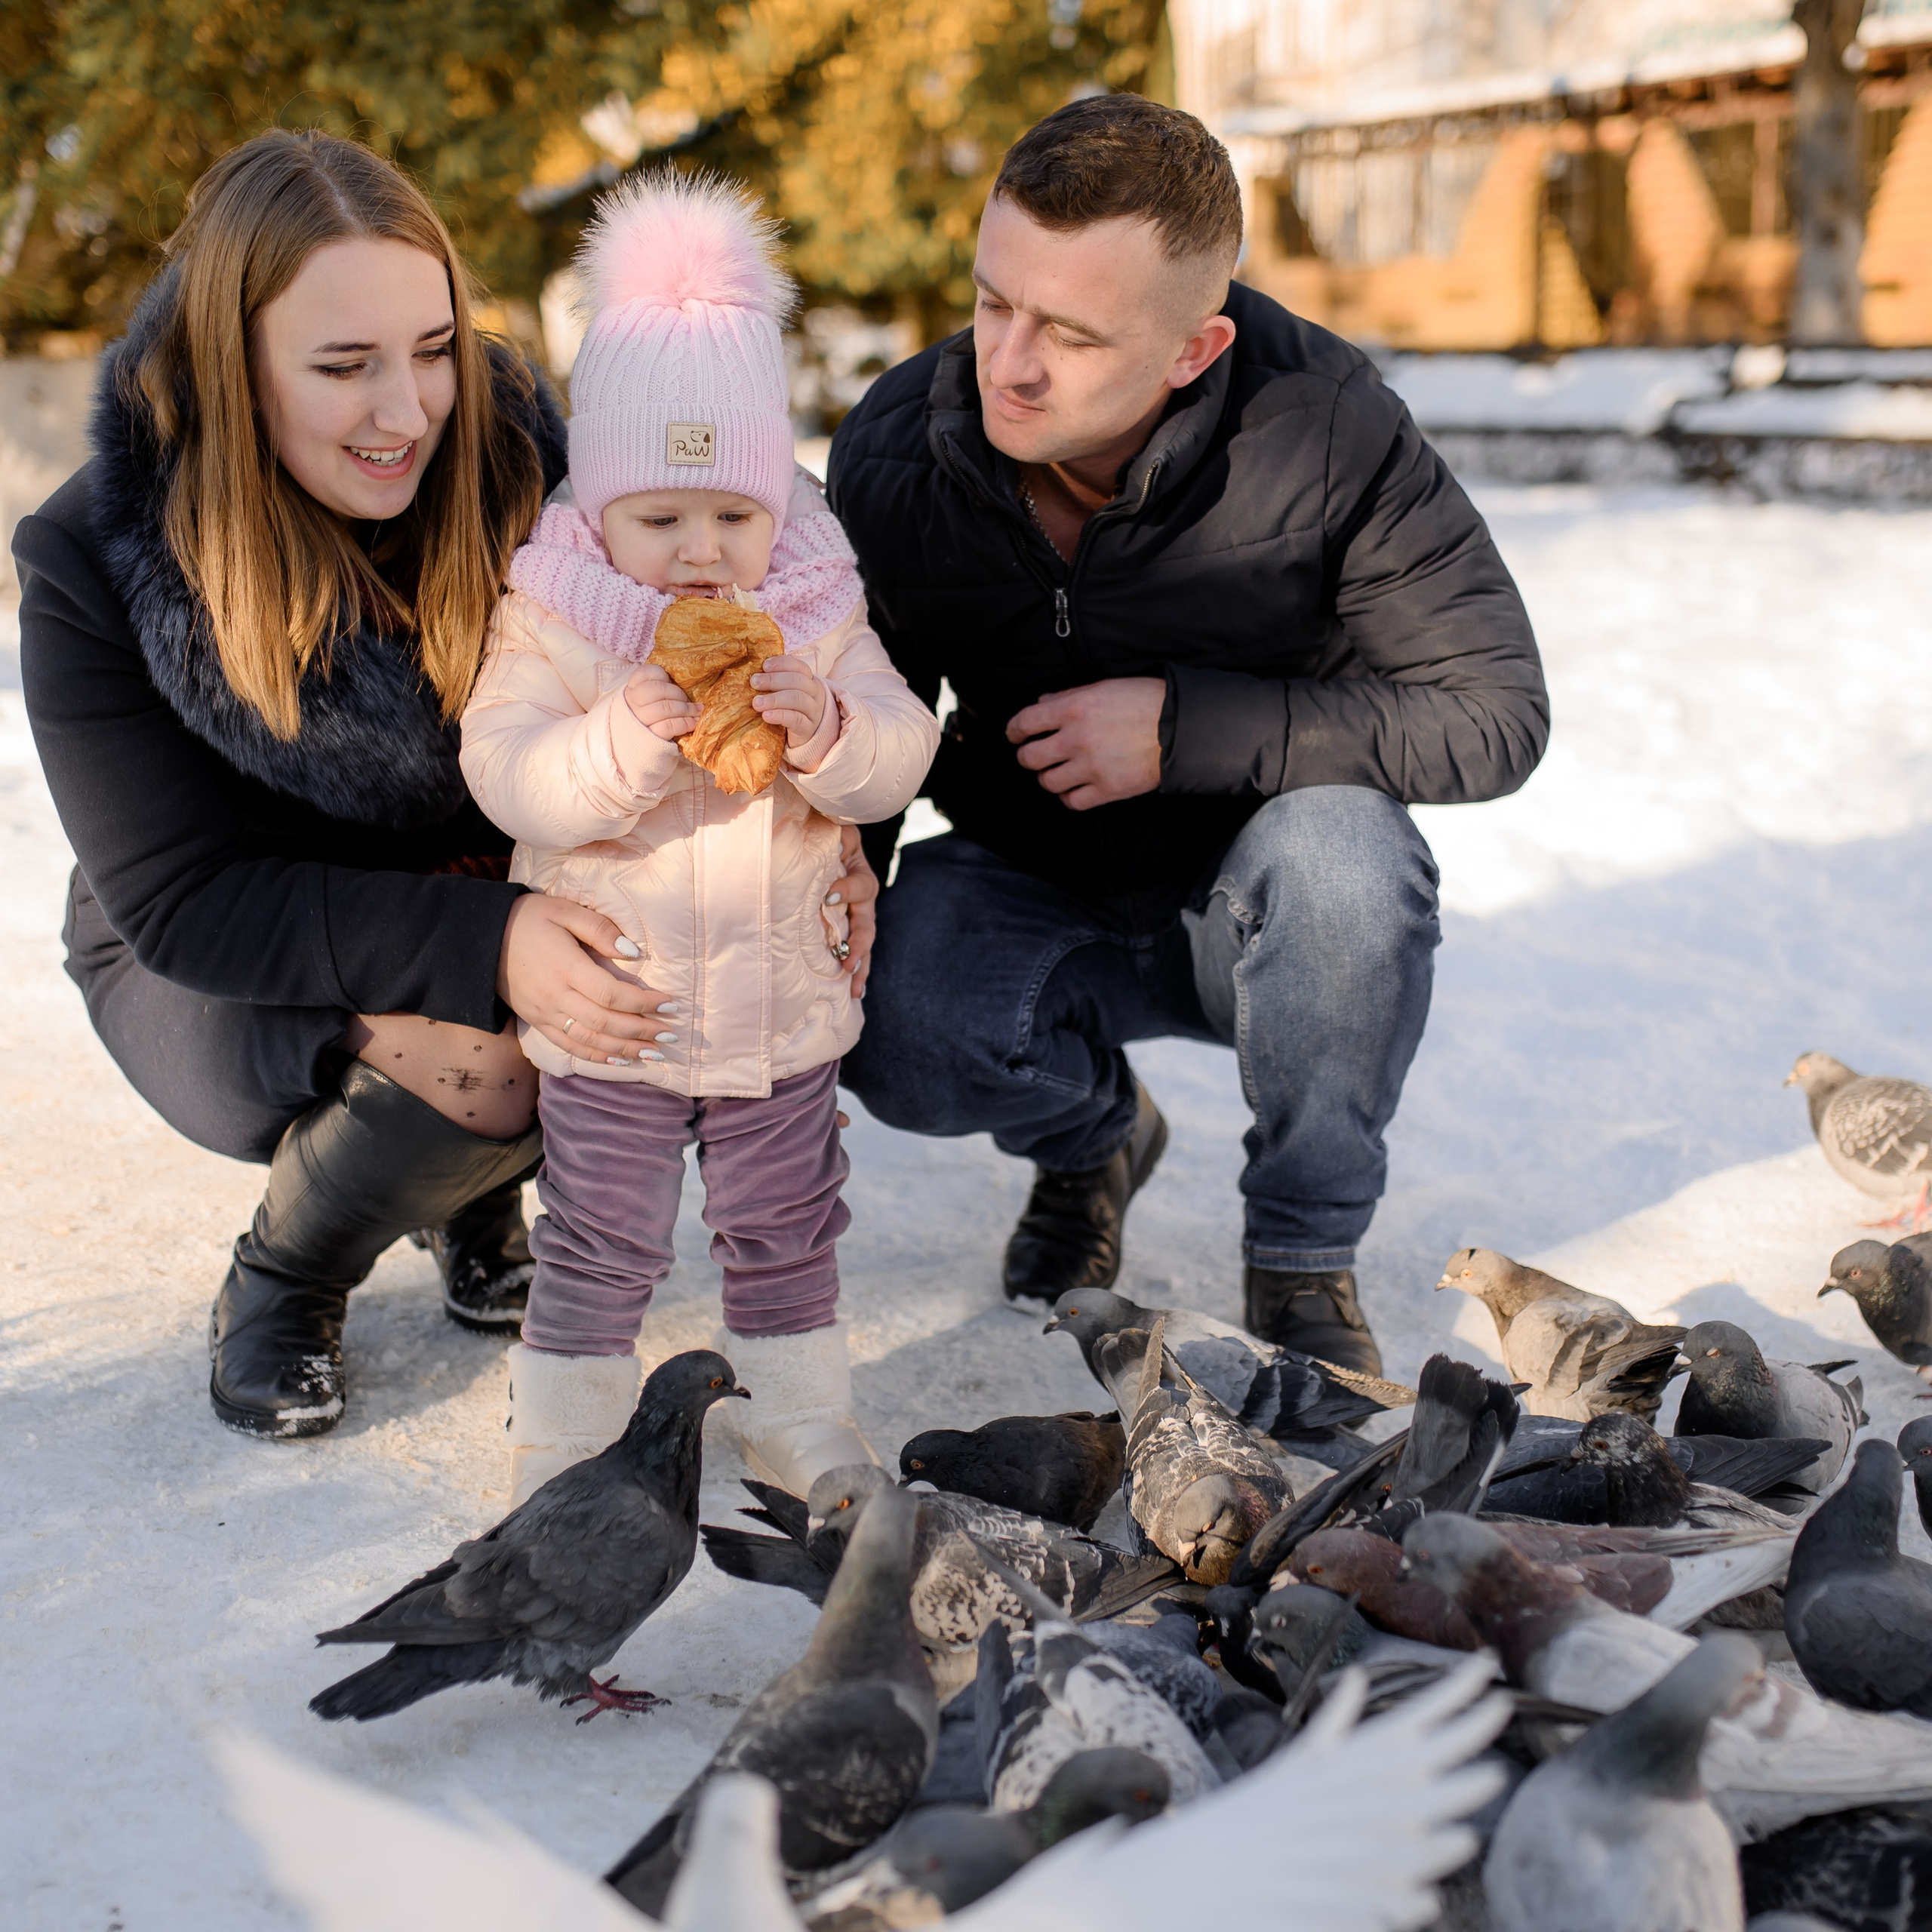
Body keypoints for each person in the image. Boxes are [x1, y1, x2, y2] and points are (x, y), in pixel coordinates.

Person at [13, 128, 883, 1439]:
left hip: (523, 855)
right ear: (230, 366)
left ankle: (469, 1198)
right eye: (343, 366)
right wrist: (498, 941)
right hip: (236, 941)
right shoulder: (101, 551)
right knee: (502, 1051)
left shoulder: (537, 451)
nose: (408, 411)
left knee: (666, 986)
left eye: (433, 351)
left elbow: (787, 569)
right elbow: (186, 900)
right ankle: (292, 1268)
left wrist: (825, 830)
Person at [829, 96, 1549, 1374]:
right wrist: (840, 873)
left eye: (1072, 333)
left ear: (1194, 346)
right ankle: (1094, 1139)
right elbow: (870, 707)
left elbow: (1493, 713)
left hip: (1260, 915)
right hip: (1030, 878)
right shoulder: (899, 447)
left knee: (1344, 863)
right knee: (885, 1017)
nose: (1008, 361)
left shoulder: (1328, 425)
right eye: (995, 301)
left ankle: (1302, 1256)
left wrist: (1187, 728)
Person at [460, 172, 937, 1503]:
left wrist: (833, 725)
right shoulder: (557, 617)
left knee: (786, 1227)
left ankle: (800, 1416)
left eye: (732, 515)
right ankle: (563, 1434)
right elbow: (505, 773)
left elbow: (905, 746)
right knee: (600, 1235)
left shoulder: (814, 606)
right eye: (660, 520)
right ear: (599, 508)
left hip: (780, 1000)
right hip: (622, 1004)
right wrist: (621, 735)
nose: (700, 556)